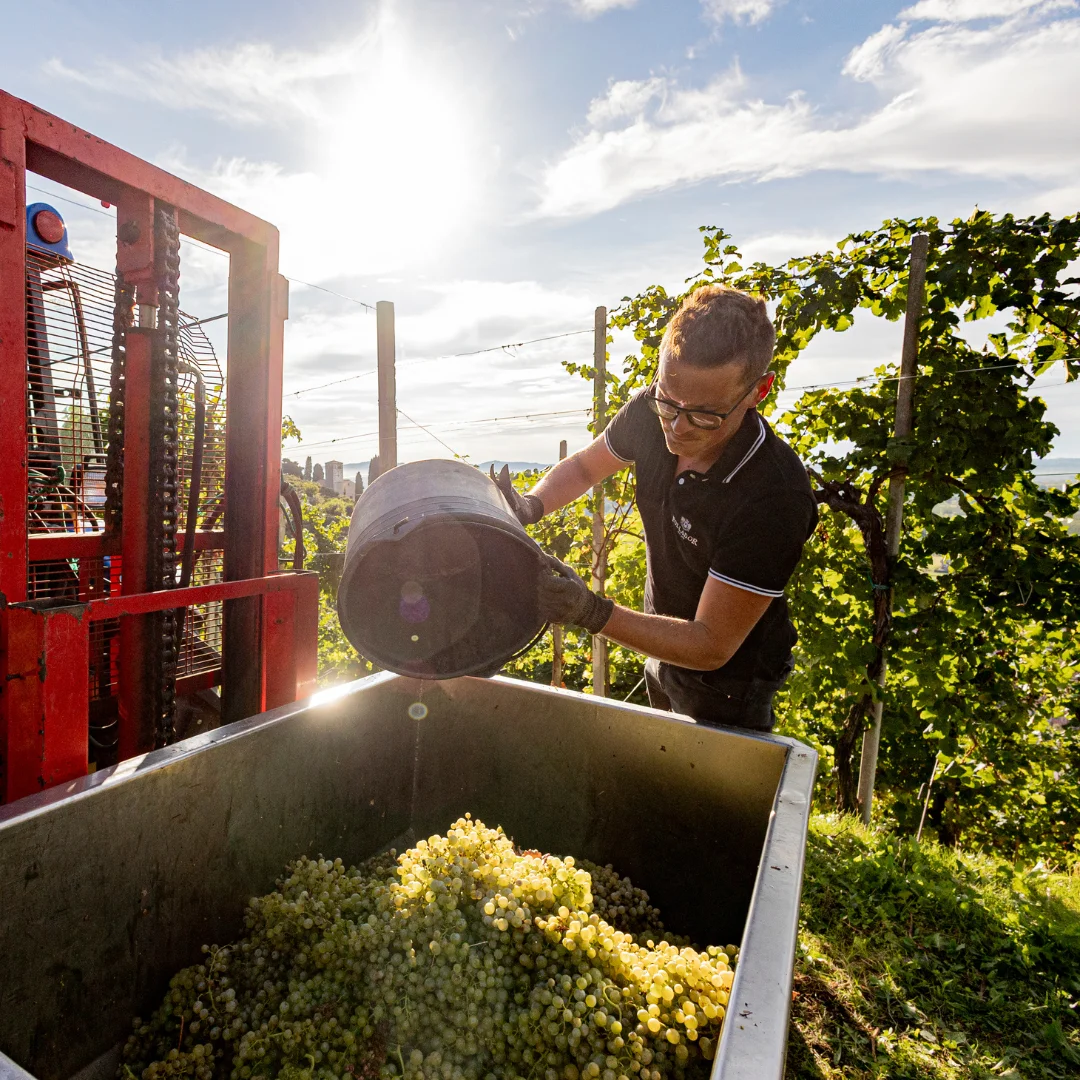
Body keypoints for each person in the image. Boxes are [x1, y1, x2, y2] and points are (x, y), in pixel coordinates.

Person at [492, 285, 818, 731]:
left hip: (729, 684)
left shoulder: (773, 496)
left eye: (705, 414)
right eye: (669, 401)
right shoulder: (650, 413)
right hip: (659, 646)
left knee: (705, 793)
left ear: (758, 390)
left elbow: (710, 645)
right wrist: (531, 505)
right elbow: (587, 467)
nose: (677, 427)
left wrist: (591, 612)